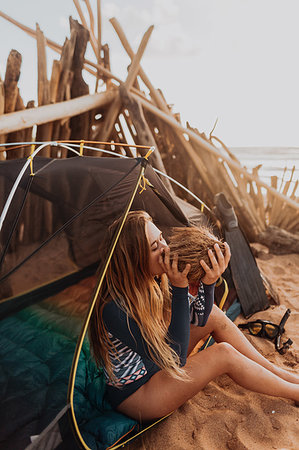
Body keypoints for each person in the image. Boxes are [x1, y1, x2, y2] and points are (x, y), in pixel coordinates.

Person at [89, 210, 299, 422]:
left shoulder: (151, 281)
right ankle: (295, 392)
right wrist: (180, 289)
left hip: (158, 363)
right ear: (134, 260)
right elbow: (175, 359)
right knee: (223, 354)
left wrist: (209, 283)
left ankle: (279, 374)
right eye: (155, 247)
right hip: (138, 394)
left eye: (162, 238)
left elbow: (200, 318)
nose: (165, 249)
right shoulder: (114, 309)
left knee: (214, 314)